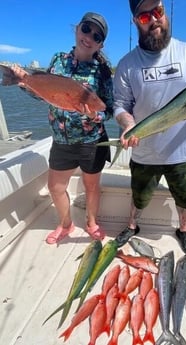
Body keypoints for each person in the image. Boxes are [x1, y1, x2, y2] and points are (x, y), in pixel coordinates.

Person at [113, 0, 186, 253]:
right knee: (139, 197)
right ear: (136, 22)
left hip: (182, 151)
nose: (153, 20)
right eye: (144, 17)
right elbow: (120, 105)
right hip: (144, 151)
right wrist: (128, 124)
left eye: (158, 11)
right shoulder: (126, 64)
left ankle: (183, 230)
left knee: (185, 199)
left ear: (165, 12)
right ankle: (132, 225)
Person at [14, 12, 113, 244]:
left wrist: (96, 116)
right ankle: (66, 224)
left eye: (96, 36)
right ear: (77, 28)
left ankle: (91, 222)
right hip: (61, 139)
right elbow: (46, 95)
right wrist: (25, 83)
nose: (89, 37)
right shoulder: (58, 60)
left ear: (100, 44)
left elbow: (108, 110)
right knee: (55, 187)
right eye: (87, 29)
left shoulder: (103, 73)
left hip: (92, 141)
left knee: (91, 187)